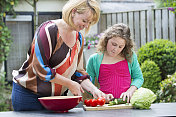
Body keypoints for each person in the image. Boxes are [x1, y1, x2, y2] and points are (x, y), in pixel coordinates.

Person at [11, 0, 112, 111]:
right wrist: (70, 83)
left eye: (90, 23)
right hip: (30, 96)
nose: (86, 25)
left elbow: (78, 73)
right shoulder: (49, 31)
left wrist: (95, 91)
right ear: (73, 12)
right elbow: (40, 69)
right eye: (85, 20)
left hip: (56, 98)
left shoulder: (79, 38)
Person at [86, 23, 144, 103]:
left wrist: (130, 91)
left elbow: (138, 78)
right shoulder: (94, 59)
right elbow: (88, 84)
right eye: (114, 44)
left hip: (127, 104)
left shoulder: (130, 56)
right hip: (105, 105)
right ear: (106, 40)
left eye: (120, 46)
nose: (115, 49)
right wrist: (101, 95)